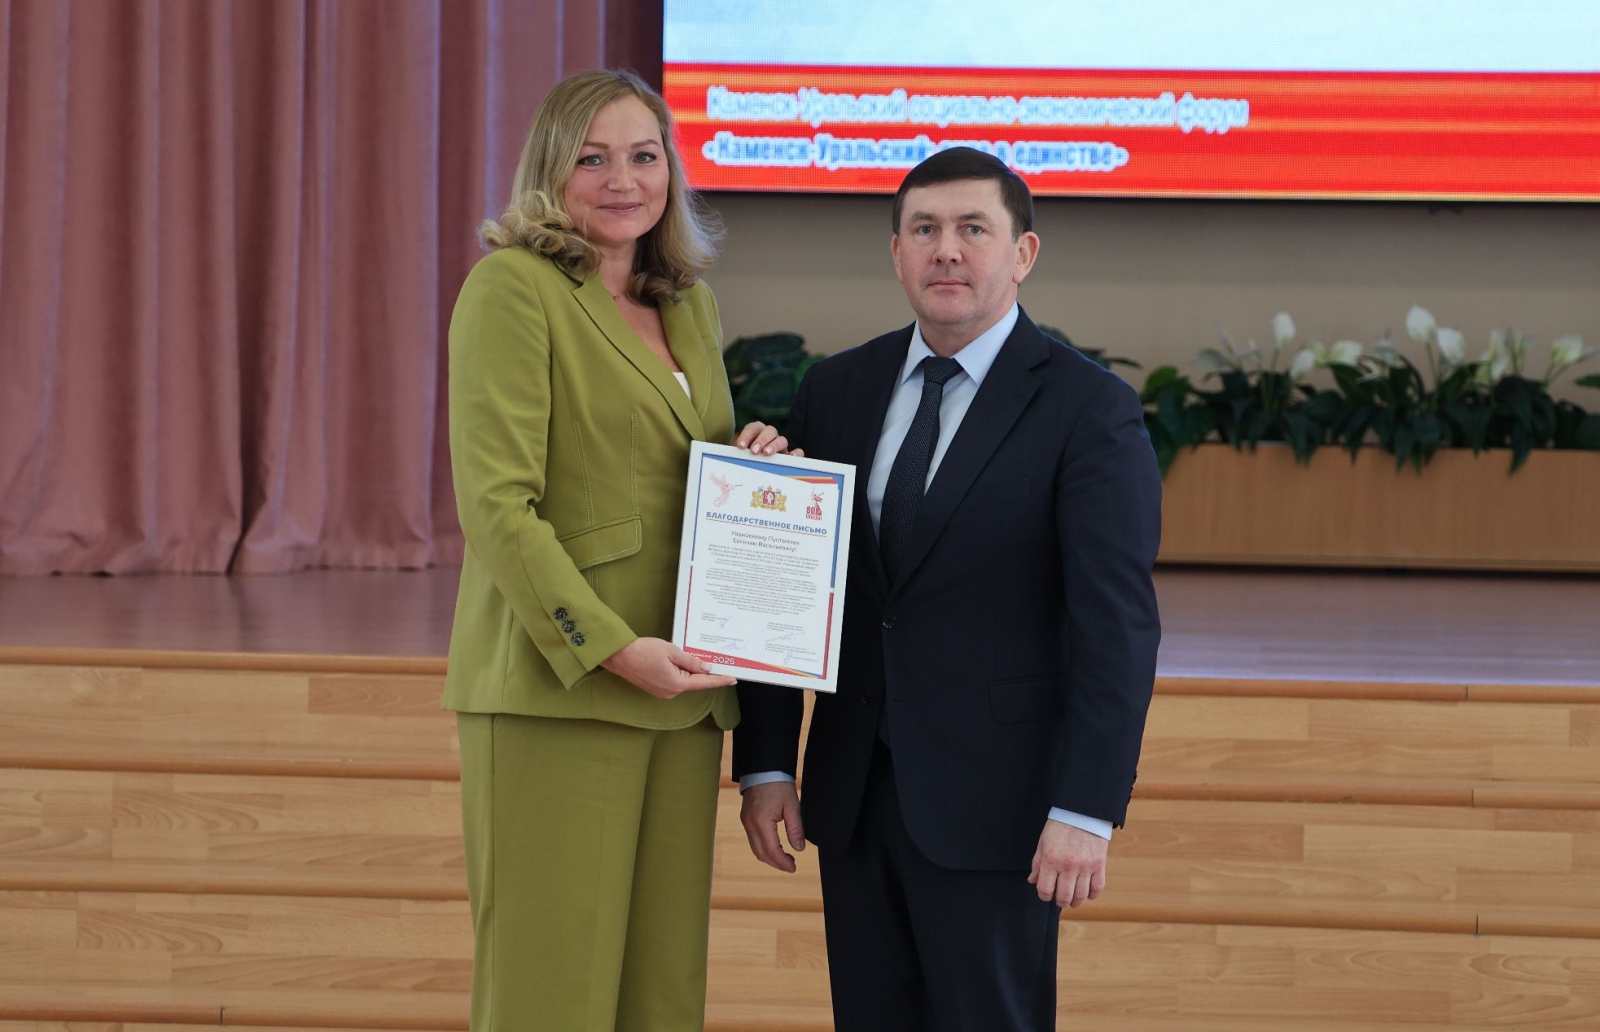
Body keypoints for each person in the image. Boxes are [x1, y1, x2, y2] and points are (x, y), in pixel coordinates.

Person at [733, 147, 1162, 1031]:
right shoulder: (836, 389)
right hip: (853, 798)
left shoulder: (1089, 409)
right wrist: (768, 762)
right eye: (924, 230)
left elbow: (1116, 628)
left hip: (1001, 808)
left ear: (1023, 253)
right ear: (897, 253)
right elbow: (791, 592)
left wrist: (1087, 807)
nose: (947, 250)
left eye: (974, 228)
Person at [444, 69, 788, 1031]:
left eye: (644, 156)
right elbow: (498, 507)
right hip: (565, 686)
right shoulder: (512, 289)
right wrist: (608, 647)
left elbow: (676, 471)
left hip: (682, 691)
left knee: (661, 998)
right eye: (593, 159)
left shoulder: (688, 303)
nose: (624, 180)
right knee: (549, 999)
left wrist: (751, 463)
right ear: (552, 169)